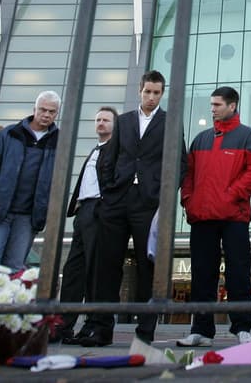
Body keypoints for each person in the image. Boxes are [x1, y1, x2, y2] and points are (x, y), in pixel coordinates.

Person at [73, 71, 180, 348]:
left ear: (162, 93)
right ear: (140, 90)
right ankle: (100, 327)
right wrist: (109, 188)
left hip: (148, 202)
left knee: (148, 266)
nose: (151, 97)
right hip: (117, 199)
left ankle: (145, 332)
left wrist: (162, 195)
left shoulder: (170, 122)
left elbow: (180, 163)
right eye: (148, 91)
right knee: (106, 265)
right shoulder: (124, 121)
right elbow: (108, 157)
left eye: (157, 92)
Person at [175, 86, 251, 347]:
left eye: (217, 105)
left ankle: (242, 328)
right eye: (212, 104)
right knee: (202, 274)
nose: (212, 108)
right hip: (202, 216)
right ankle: (201, 331)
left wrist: (231, 195)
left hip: (234, 216)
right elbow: (188, 175)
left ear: (232, 106)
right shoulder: (201, 139)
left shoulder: (248, 136)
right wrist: (188, 201)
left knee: (238, 271)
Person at [53, 106, 118, 343]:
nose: (100, 123)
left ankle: (94, 325)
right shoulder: (94, 150)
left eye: (106, 120)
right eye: (98, 119)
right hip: (83, 212)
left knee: (96, 271)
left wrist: (105, 206)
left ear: (115, 125)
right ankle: (62, 325)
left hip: (100, 211)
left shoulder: (116, 149)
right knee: (73, 271)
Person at [0, 91, 62, 268]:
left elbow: (60, 179)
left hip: (29, 216)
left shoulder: (60, 142)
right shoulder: (10, 133)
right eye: (43, 109)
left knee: (15, 267)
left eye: (52, 111)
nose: (46, 114)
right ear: (34, 109)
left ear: (57, 114)